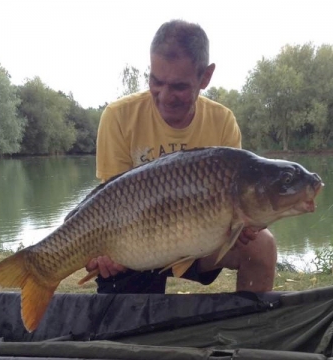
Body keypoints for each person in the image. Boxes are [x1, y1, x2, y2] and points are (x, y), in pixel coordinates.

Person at [86, 19, 277, 294]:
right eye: (156, 81)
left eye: (178, 87)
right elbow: (109, 205)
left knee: (262, 245)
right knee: (131, 330)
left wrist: (243, 226)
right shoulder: (118, 117)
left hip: (201, 242)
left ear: (205, 77)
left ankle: (251, 331)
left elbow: (237, 210)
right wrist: (102, 252)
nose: (164, 97)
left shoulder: (222, 122)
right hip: (135, 244)